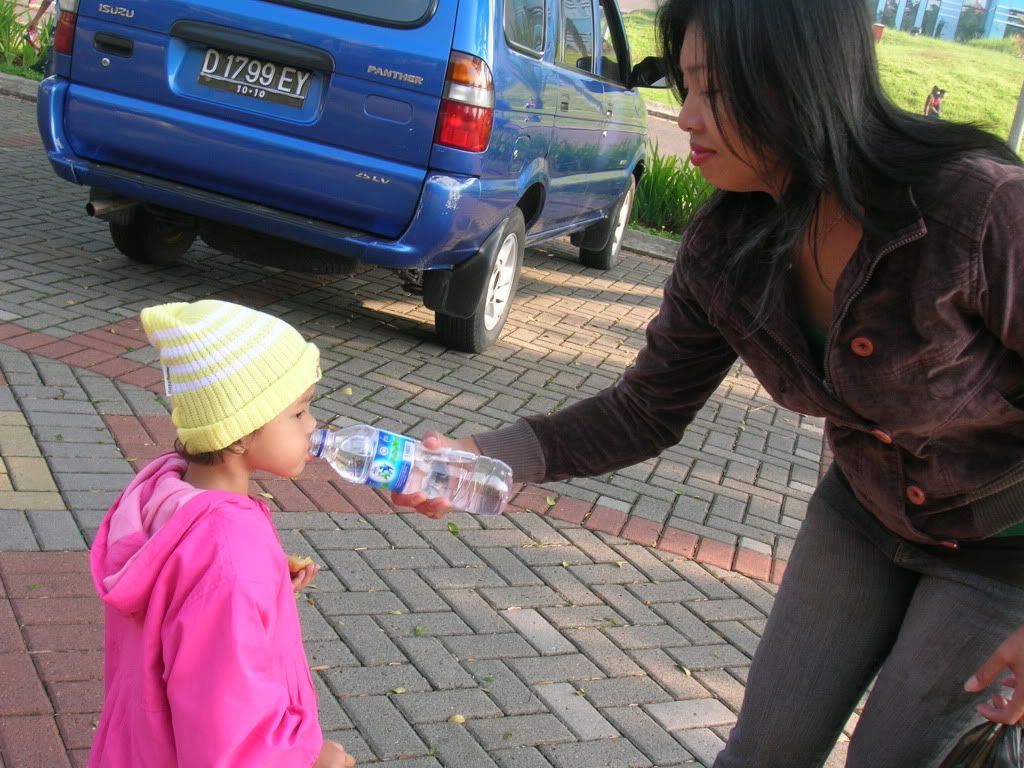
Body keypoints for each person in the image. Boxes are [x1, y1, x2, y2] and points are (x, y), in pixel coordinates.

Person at [397, 0, 1024, 764]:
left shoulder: (976, 210)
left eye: (716, 91)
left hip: (1005, 547)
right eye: (686, 86)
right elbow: (645, 409)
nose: (687, 116)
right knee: (764, 751)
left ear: (803, 78)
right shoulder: (725, 246)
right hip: (863, 512)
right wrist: (484, 457)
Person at [89, 300, 356, 768]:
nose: (314, 425)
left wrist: (264, 582)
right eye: (299, 412)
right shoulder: (230, 553)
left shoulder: (171, 494)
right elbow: (226, 723)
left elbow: (189, 597)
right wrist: (308, 759)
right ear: (238, 432)